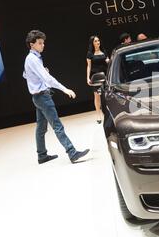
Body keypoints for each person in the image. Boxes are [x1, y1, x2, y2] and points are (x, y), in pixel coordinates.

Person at [23, 30, 90, 164]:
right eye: (40, 43)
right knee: (57, 126)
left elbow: (25, 74)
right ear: (32, 44)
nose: (43, 45)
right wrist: (65, 89)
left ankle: (42, 156)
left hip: (37, 98)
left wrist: (39, 75)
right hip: (42, 97)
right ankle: (72, 152)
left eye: (43, 43)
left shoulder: (31, 58)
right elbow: (48, 79)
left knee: (41, 128)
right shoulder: (33, 59)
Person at [86, 35, 109, 124]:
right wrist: (87, 77)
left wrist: (108, 60)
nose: (97, 42)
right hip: (95, 77)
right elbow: (89, 66)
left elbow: (107, 60)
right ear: (92, 43)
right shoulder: (90, 53)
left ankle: (107, 113)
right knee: (97, 96)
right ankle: (98, 115)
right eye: (95, 41)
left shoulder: (103, 51)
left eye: (98, 40)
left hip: (105, 75)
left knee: (106, 95)